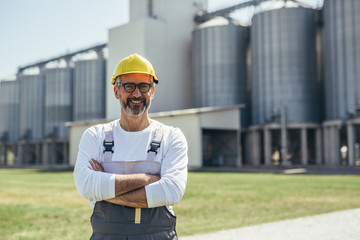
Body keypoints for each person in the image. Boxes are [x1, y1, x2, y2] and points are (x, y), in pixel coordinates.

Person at [73, 53, 188, 240]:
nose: (136, 94)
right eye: (129, 86)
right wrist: (148, 179)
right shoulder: (96, 136)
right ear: (116, 91)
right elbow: (86, 186)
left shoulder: (171, 136)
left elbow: (172, 190)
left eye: (144, 86)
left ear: (152, 91)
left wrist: (104, 192)